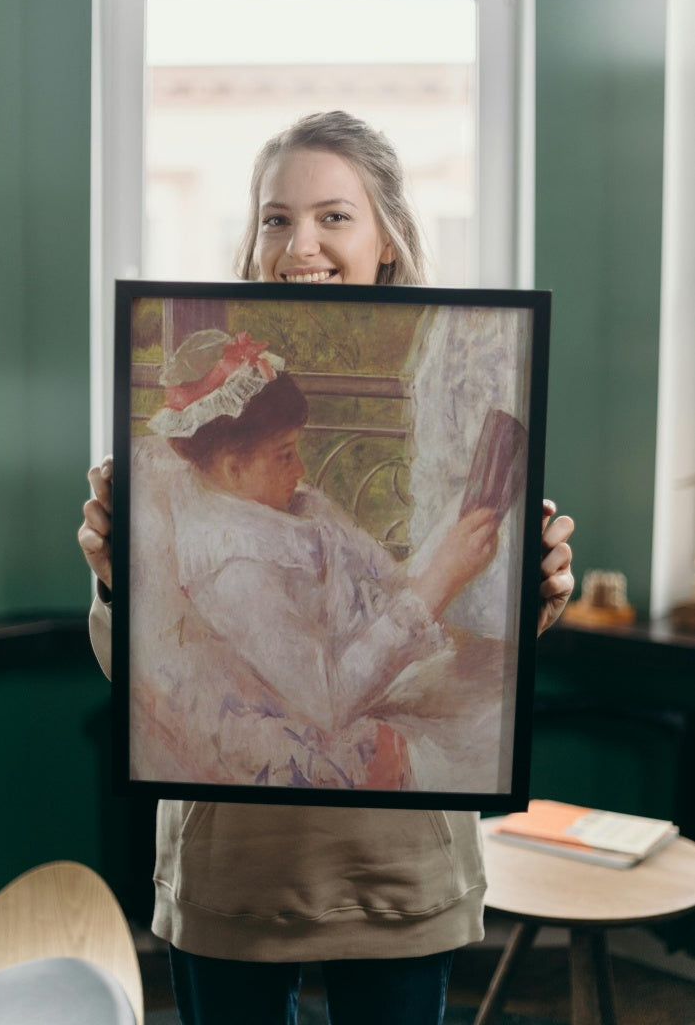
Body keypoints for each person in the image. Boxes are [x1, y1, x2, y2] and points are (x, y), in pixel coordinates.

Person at [79, 110, 575, 1025]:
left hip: (394, 864)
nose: (299, 242)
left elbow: (393, 618)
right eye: (275, 217)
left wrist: (522, 591)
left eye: (333, 216)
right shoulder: (181, 507)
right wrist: (117, 583)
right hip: (238, 872)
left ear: (387, 237)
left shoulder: (304, 503)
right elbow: (152, 677)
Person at [128, 326, 506, 793]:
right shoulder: (237, 571)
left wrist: (447, 560)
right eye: (286, 454)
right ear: (233, 467)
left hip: (412, 674)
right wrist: (440, 583)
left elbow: (383, 585)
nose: (301, 469)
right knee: (493, 725)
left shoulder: (285, 504)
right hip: (380, 716)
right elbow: (327, 701)